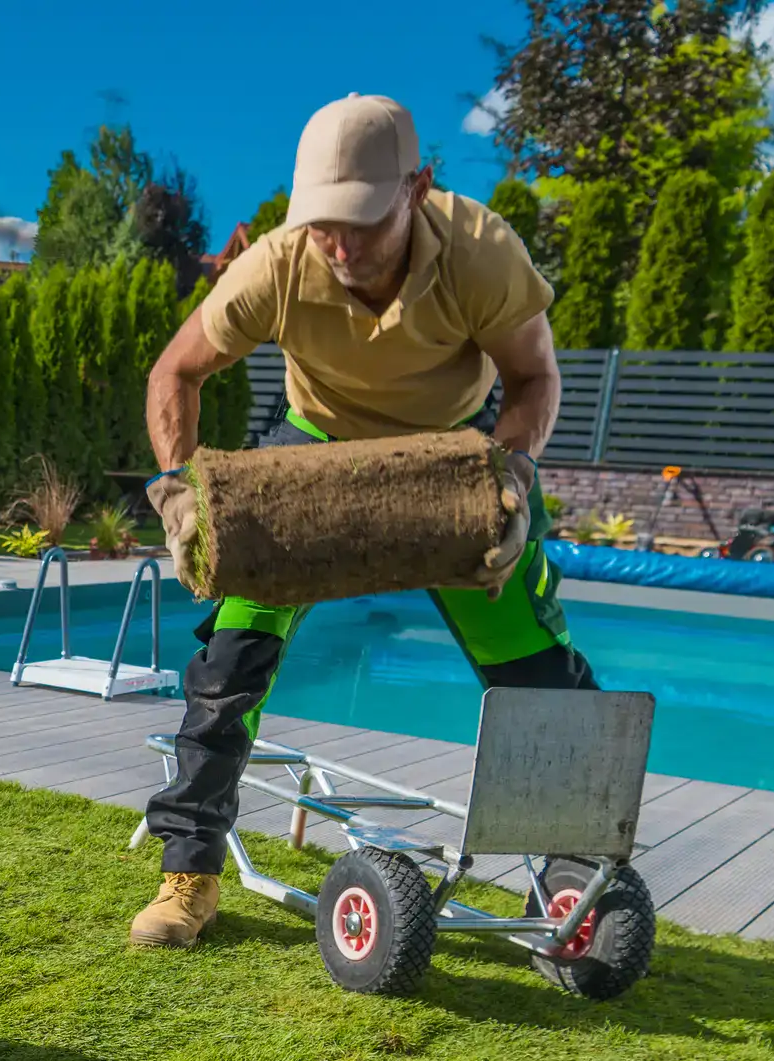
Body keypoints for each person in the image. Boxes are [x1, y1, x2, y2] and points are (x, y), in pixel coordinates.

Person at [129, 93, 591, 949]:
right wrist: (177, 489)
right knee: (231, 655)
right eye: (322, 226)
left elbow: (534, 381)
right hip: (314, 449)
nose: (339, 248)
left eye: (361, 224)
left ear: (417, 189)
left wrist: (515, 478)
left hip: (450, 459)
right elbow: (176, 371)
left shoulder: (483, 252)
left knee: (533, 660)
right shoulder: (275, 263)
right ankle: (187, 873)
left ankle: (575, 878)